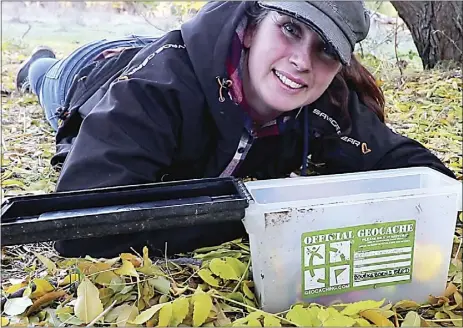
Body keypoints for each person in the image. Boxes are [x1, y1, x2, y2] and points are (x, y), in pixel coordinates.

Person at [16, 1, 455, 259]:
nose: (302, 60)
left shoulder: (328, 101)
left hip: (176, 48)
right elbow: (78, 232)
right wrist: (255, 216)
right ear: (249, 29)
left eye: (324, 49)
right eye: (290, 29)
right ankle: (35, 63)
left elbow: (417, 169)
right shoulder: (156, 88)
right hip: (94, 70)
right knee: (43, 76)